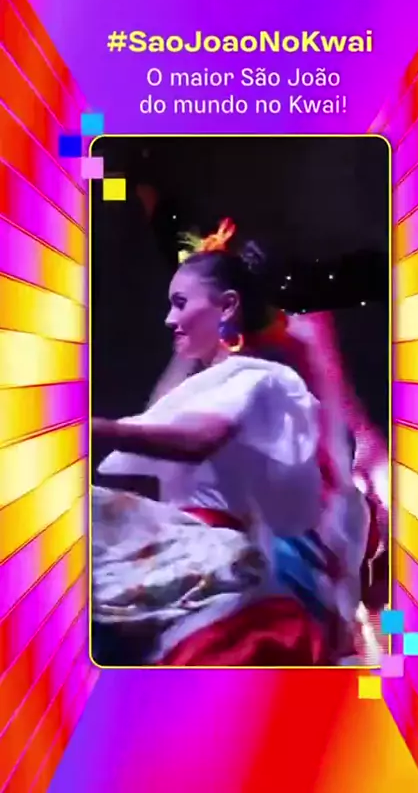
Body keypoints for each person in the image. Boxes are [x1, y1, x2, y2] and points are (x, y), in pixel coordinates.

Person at [91, 223, 331, 666]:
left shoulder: (256, 378)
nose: (168, 318)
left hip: (209, 549)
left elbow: (200, 439)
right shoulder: (211, 385)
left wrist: (92, 428)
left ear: (229, 305)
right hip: (173, 544)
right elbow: (157, 417)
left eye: (180, 303)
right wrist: (194, 331)